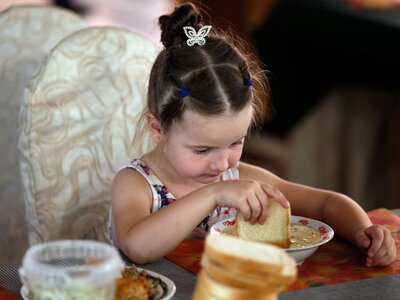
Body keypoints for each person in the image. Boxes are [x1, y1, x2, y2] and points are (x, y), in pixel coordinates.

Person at [110, 2, 396, 266]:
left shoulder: (239, 179)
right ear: (158, 129)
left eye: (235, 142)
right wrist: (214, 194)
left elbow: (327, 203)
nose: (222, 164)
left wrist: (364, 231)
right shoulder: (137, 184)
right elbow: (137, 246)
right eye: (202, 150)